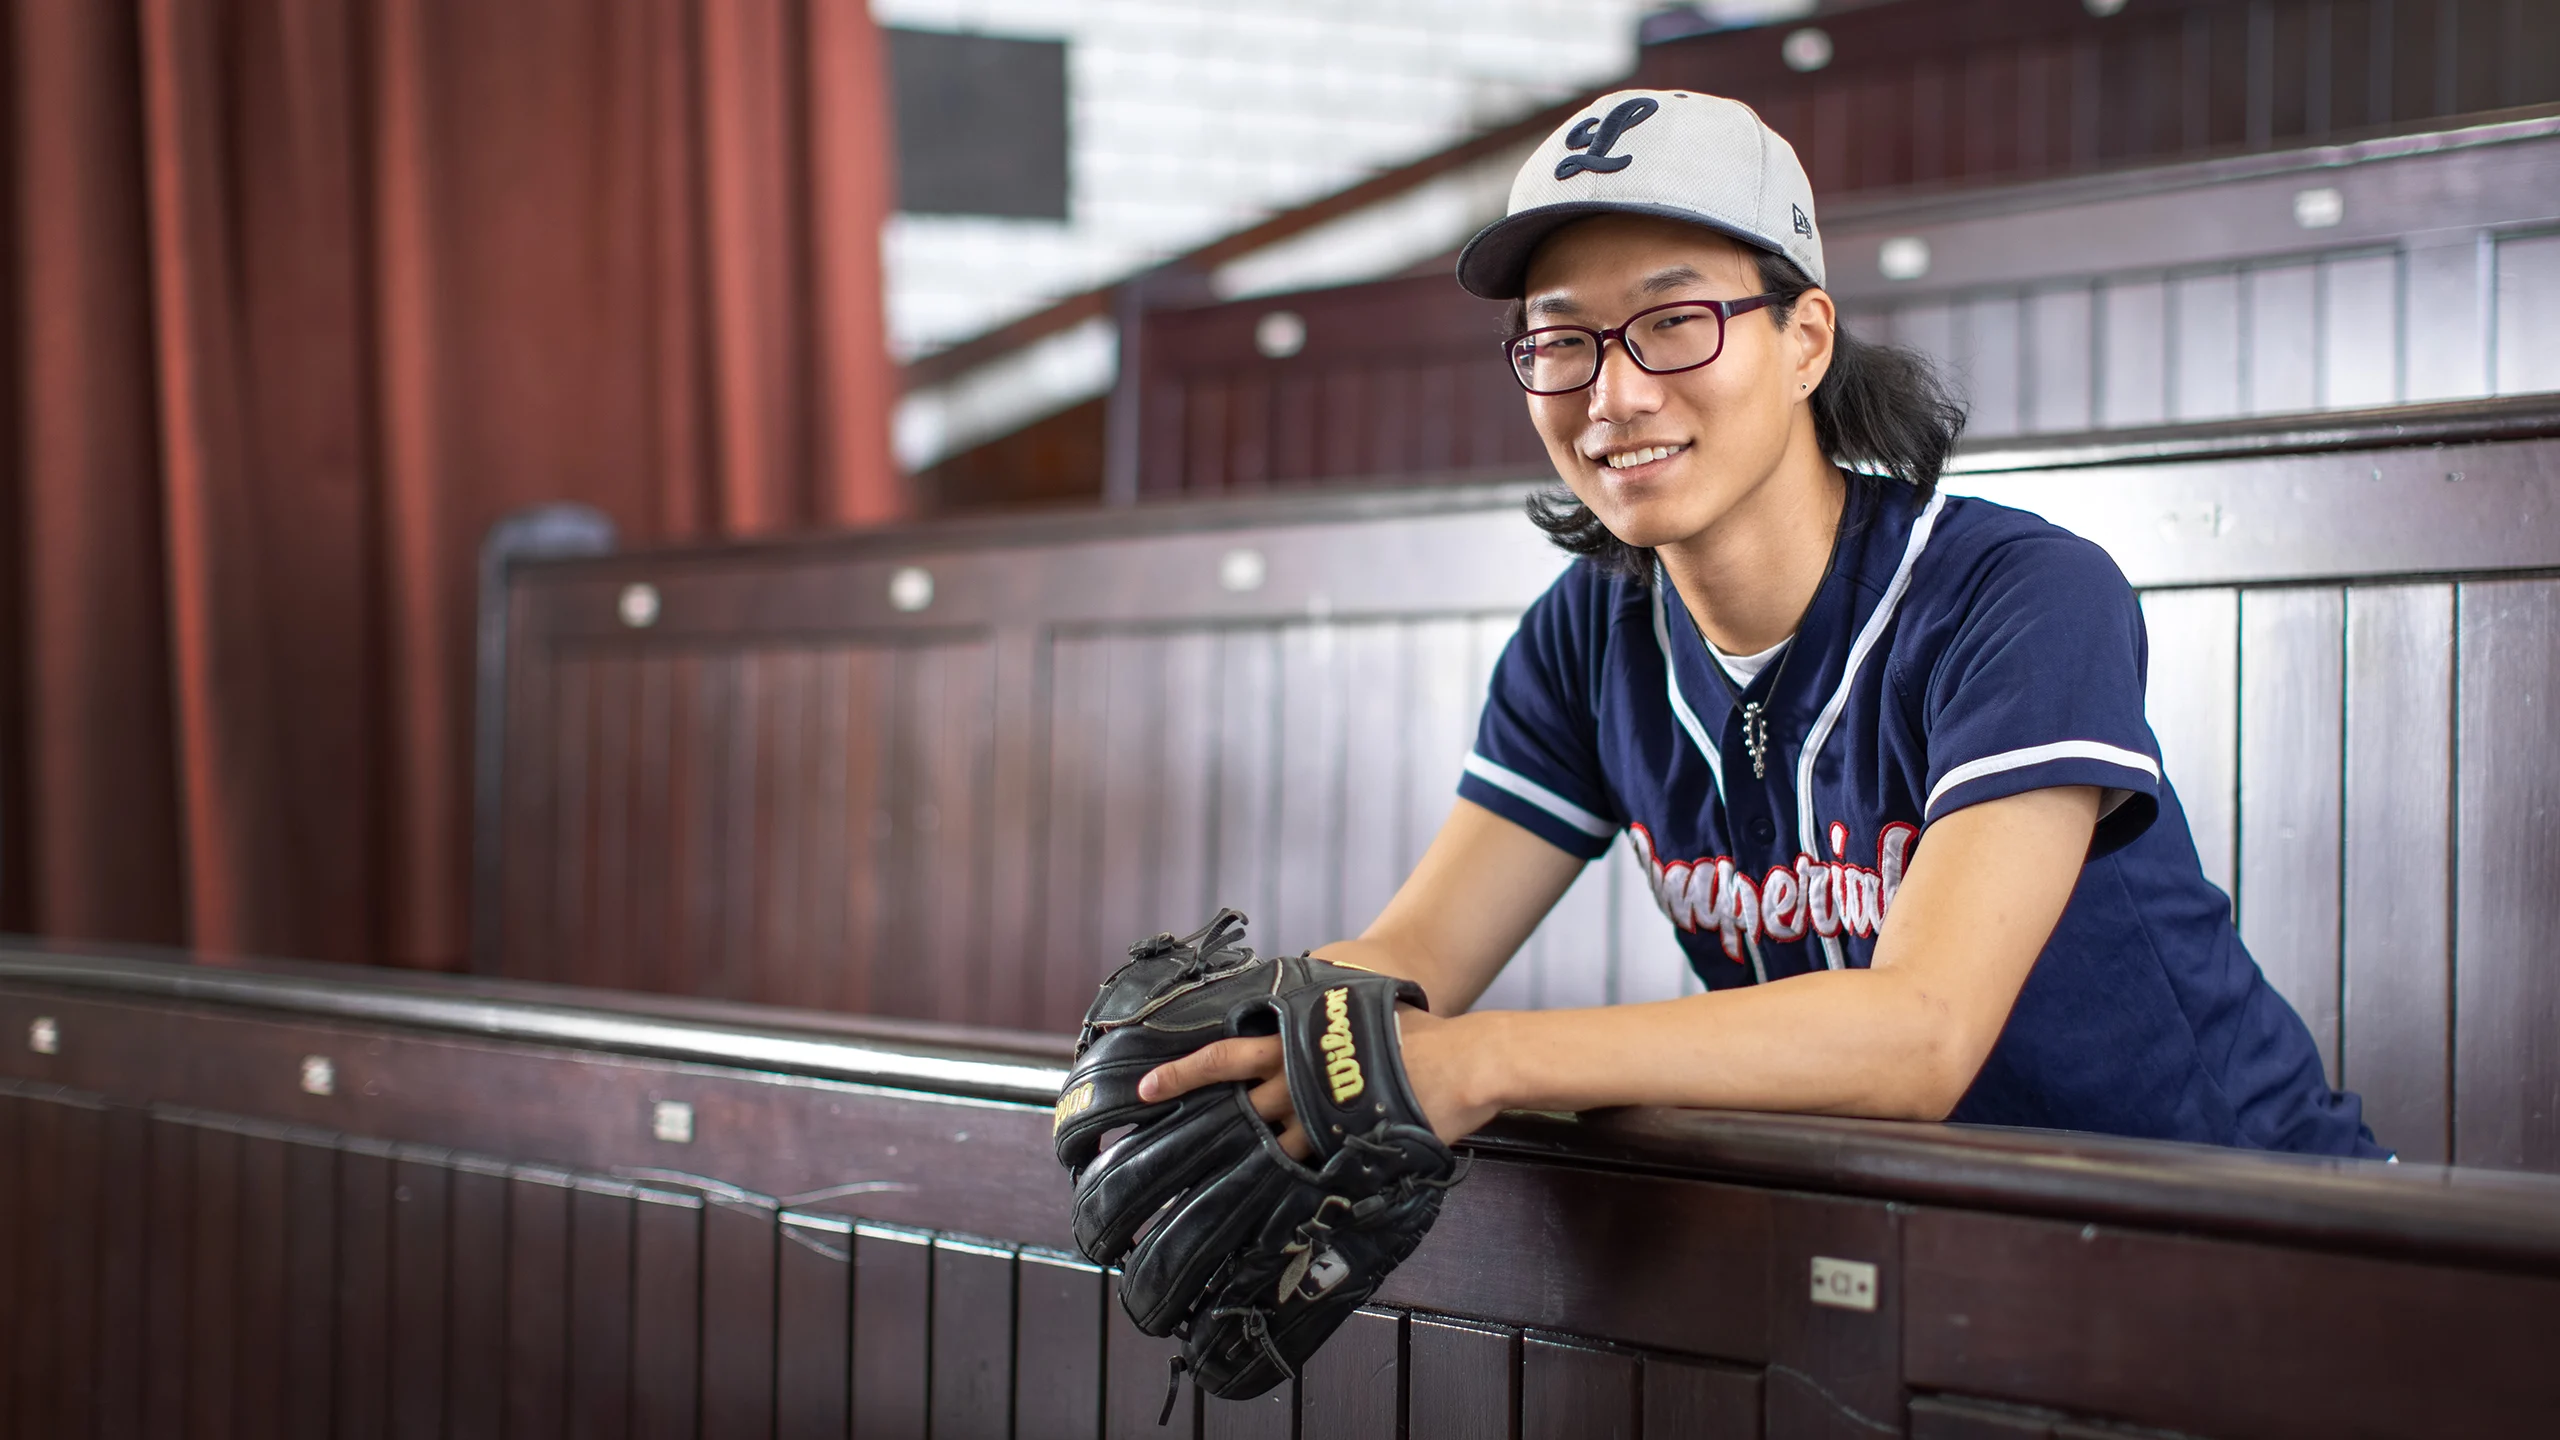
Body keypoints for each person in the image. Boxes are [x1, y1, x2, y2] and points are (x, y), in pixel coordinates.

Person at [1138, 89, 2385, 1160]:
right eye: (1560, 340)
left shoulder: (2017, 595)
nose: (1614, 393)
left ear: (1803, 340)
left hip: (2244, 1223)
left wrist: (1487, 1060)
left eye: (1674, 323)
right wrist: (1254, 1043)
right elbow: (1417, 953)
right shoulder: (1589, 638)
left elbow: (1922, 1033)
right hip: (1920, 1240)